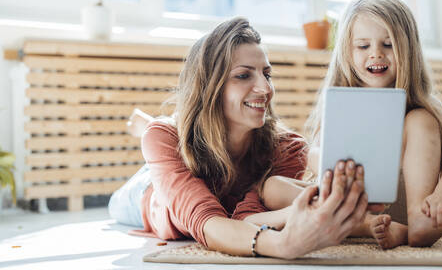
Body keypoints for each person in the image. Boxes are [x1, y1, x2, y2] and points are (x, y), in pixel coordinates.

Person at [108, 17, 377, 259]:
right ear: (209, 87)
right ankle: (144, 126)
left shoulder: (287, 147)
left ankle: (150, 126)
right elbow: (208, 223)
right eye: (243, 75)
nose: (265, 88)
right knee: (148, 151)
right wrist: (284, 244)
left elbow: (248, 217)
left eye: (267, 74)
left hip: (196, 148)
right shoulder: (164, 138)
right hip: (147, 194)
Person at [262, 0, 442, 250]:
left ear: (407, 50)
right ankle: (369, 226)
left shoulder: (425, 107)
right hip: (351, 203)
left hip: (408, 203)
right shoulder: (339, 101)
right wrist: (332, 168)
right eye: (363, 46)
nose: (376, 54)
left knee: (420, 119)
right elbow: (315, 151)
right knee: (273, 187)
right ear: (347, 53)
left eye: (388, 45)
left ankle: (418, 220)